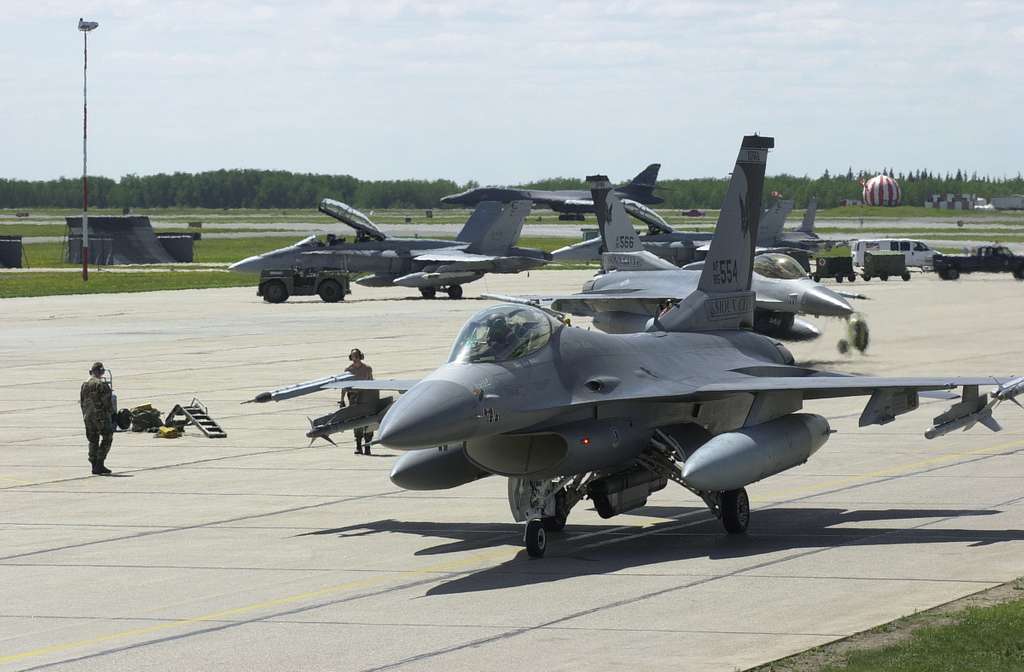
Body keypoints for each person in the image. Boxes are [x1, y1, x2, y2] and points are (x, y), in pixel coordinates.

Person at [80, 362, 113, 475]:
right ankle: (100, 463)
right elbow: (107, 403)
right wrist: (111, 415)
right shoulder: (102, 385)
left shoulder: (84, 385)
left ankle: (94, 464)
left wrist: (85, 415)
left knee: (93, 440)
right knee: (107, 437)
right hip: (101, 416)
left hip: (88, 416)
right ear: (101, 372)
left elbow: (82, 402)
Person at [344, 348, 375, 455]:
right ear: (351, 357)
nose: (355, 358)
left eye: (357, 356)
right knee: (356, 423)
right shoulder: (348, 371)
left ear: (360, 356)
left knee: (369, 422)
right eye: (353, 356)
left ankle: (368, 447)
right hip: (354, 398)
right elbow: (344, 386)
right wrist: (342, 400)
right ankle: (358, 446)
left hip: (366, 397)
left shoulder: (367, 369)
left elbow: (372, 383)